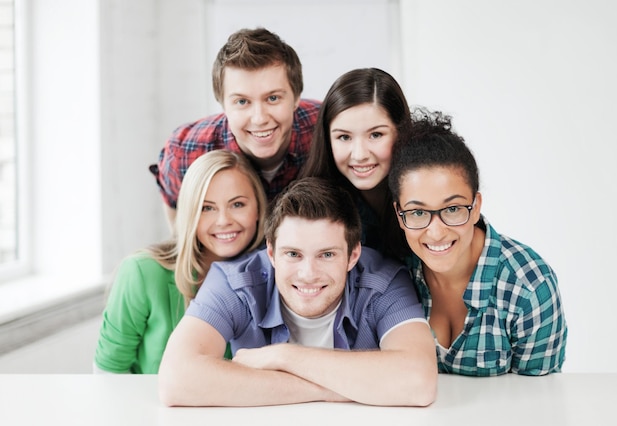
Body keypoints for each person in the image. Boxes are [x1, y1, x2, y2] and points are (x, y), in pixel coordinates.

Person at [158, 177, 438, 407]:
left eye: (326, 254)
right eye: (293, 254)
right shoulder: (234, 283)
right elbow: (176, 378)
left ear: (353, 255)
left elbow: (419, 381)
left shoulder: (384, 281)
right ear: (271, 252)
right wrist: (335, 389)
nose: (308, 274)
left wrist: (283, 356)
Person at [388, 108, 568, 376]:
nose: (436, 232)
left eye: (452, 209)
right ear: (399, 216)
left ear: (475, 207)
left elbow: (540, 401)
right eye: (417, 212)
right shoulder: (394, 275)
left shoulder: (530, 287)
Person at [94, 150, 267, 374]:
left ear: (258, 209)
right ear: (189, 213)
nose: (224, 221)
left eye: (237, 204)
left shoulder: (274, 276)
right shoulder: (142, 272)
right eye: (207, 208)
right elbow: (109, 373)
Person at [151, 27, 320, 231]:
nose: (259, 119)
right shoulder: (185, 151)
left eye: (273, 98)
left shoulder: (328, 129)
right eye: (242, 101)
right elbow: (176, 212)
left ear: (296, 98)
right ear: (223, 105)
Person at [299, 67, 410, 261]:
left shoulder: (426, 187)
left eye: (376, 135)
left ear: (400, 132)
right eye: (344, 137)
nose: (359, 155)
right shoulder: (312, 206)